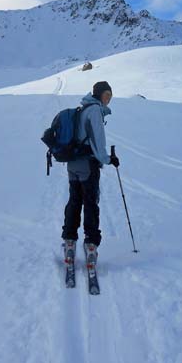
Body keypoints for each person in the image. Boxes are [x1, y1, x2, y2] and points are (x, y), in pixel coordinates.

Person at [61, 81, 120, 262]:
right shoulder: (94, 111)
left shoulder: (83, 109)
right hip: (88, 165)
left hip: (73, 163)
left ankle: (69, 240)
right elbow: (97, 142)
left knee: (75, 200)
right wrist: (108, 159)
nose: (108, 98)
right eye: (105, 95)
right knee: (91, 203)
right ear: (98, 94)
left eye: (110, 95)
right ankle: (91, 243)